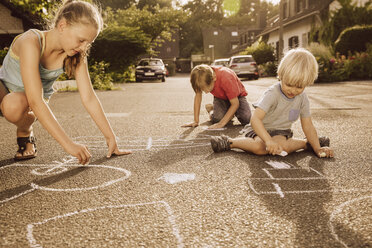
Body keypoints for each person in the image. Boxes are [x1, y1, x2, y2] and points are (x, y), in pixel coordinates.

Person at [0, 0, 131, 164]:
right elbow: (35, 99)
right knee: (8, 99)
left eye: (88, 43)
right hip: (5, 89)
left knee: (13, 105)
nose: (84, 48)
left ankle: (25, 131)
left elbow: (88, 97)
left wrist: (110, 137)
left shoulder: (75, 54)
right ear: (62, 26)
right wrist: (69, 145)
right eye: (81, 40)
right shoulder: (31, 41)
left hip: (26, 104)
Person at [210, 48, 334, 158]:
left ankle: (309, 143)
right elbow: (255, 120)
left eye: (299, 87)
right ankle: (229, 142)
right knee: (260, 148)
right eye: (289, 84)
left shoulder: (302, 98)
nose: (293, 90)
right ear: (280, 75)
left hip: (280, 131)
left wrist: (317, 148)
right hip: (259, 129)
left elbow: (308, 125)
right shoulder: (273, 93)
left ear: (308, 83)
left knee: (283, 147)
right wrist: (268, 141)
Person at [182, 64, 251, 129]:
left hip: (237, 97)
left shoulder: (226, 77)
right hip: (221, 97)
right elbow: (198, 96)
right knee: (217, 119)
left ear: (214, 78)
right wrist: (196, 121)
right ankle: (212, 110)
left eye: (205, 88)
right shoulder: (201, 76)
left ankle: (229, 112)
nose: (205, 92)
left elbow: (235, 103)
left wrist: (221, 124)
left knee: (246, 119)